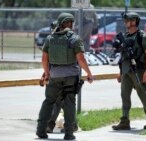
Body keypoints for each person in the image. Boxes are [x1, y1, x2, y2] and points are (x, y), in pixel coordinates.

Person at [36, 12, 93, 140]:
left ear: (60, 23)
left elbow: (44, 59)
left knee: (48, 102)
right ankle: (68, 133)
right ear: (71, 24)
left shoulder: (50, 39)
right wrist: (89, 74)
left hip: (54, 76)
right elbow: (81, 59)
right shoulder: (75, 39)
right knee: (69, 103)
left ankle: (41, 130)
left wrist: (47, 74)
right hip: (71, 77)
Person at [112, 12, 146, 130]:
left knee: (142, 94)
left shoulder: (142, 36)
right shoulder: (125, 37)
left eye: (132, 20)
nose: (129, 23)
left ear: (136, 21)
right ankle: (125, 121)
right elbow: (122, 57)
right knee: (124, 95)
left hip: (139, 70)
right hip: (126, 71)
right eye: (127, 21)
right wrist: (120, 73)